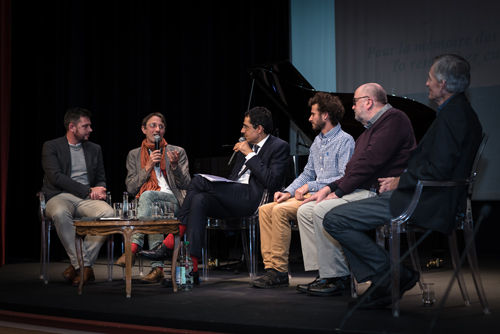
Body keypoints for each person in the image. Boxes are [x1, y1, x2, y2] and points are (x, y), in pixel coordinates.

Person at [322, 54, 482, 310]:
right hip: (425, 195)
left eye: (430, 79)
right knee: (337, 216)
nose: (426, 83)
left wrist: (399, 181)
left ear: (442, 84)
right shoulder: (459, 111)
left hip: (424, 200)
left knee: (334, 219)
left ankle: (391, 275)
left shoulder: (453, 115)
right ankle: (388, 279)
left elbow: (438, 168)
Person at [139, 106, 290, 283]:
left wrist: (250, 154)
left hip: (255, 200)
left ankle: (170, 242)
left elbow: (271, 181)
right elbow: (235, 177)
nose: (242, 130)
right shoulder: (246, 146)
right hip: (236, 197)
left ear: (259, 129)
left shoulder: (279, 147)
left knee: (198, 181)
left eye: (246, 126)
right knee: (199, 199)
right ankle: (192, 272)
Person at [296, 83, 416, 296]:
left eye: (354, 102)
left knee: (321, 210)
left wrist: (338, 192)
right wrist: (330, 188)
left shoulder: (393, 119)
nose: (351, 108)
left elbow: (369, 164)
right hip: (361, 188)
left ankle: (338, 277)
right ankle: (326, 272)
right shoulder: (370, 130)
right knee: (305, 211)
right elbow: (352, 170)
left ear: (368, 102)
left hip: (377, 192)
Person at [250, 92, 355, 288]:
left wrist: (312, 186)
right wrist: (288, 192)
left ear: (325, 115)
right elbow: (307, 174)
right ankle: (272, 269)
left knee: (279, 211)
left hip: (330, 196)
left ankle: (281, 271)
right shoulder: (317, 142)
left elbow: (343, 177)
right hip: (312, 195)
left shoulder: (345, 140)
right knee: (266, 209)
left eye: (313, 113)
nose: (309, 118)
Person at [114, 112, 191, 284]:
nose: (157, 129)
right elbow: (131, 187)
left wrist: (175, 166)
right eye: (153, 125)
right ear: (143, 129)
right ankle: (158, 269)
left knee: (147, 198)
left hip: (174, 202)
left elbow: (187, 184)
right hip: (149, 205)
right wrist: (148, 166)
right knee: (151, 208)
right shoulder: (134, 155)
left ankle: (132, 249)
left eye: (161, 126)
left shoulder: (177, 151)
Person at [41, 107, 114, 286]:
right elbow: (56, 177)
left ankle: (79, 266)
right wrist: (88, 191)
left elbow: (101, 179)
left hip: (86, 200)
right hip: (58, 196)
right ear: (72, 127)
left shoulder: (95, 149)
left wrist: (100, 189)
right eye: (86, 126)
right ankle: (85, 266)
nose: (90, 130)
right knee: (59, 214)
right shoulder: (51, 146)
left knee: (109, 214)